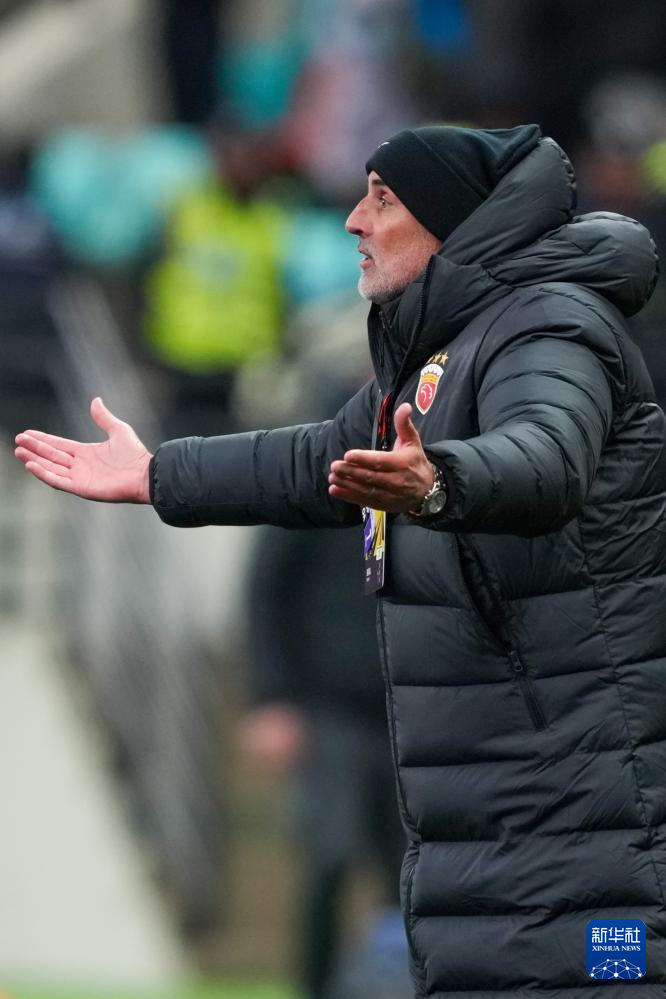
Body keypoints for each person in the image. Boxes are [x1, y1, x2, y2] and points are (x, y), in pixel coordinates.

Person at [15, 124, 666, 996]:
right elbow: (316, 458)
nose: (354, 220)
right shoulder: (441, 352)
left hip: (582, 827)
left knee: (611, 980)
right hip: (502, 821)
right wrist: (159, 474)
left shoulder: (548, 326)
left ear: (454, 222)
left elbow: (544, 456)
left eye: (382, 200)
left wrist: (440, 479)